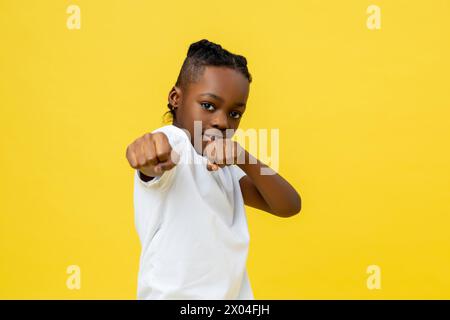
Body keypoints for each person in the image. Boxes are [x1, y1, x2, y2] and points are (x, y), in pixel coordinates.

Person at [126, 39, 301, 299]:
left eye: (235, 113)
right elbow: (151, 154)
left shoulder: (225, 168)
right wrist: (148, 153)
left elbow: (288, 205)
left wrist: (243, 156)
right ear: (176, 98)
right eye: (208, 105)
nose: (221, 121)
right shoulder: (174, 142)